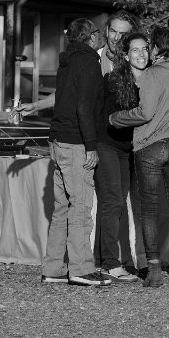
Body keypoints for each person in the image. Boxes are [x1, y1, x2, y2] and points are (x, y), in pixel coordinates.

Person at [109, 27, 169, 289]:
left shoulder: (152, 74)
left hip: (151, 145)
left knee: (149, 211)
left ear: (157, 49)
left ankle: (153, 272)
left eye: (150, 46)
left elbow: (145, 112)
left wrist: (116, 118)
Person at [41, 18, 111, 287]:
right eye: (97, 32)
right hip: (76, 142)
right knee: (80, 207)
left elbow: (64, 100)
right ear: (90, 36)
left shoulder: (66, 62)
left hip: (58, 140)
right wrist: (91, 145)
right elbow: (84, 107)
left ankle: (53, 268)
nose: (100, 36)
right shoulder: (89, 62)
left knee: (62, 208)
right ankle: (81, 268)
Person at [94, 31, 148, 283]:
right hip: (107, 145)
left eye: (144, 49)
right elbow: (104, 116)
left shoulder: (152, 80)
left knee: (121, 204)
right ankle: (109, 263)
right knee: (113, 202)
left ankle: (110, 260)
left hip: (128, 149)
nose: (141, 54)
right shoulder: (113, 80)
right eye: (135, 50)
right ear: (126, 56)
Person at [99, 10, 139, 75]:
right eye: (113, 31)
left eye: (122, 34)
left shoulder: (140, 61)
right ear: (107, 31)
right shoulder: (96, 58)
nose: (116, 38)